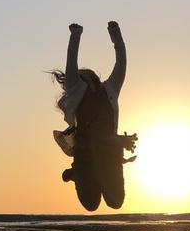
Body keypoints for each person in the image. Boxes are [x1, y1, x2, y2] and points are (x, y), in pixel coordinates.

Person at [52, 21, 137, 211]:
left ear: (94, 78)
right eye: (79, 77)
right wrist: (76, 34)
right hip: (85, 154)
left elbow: (121, 63)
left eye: (85, 76)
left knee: (115, 203)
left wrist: (116, 35)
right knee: (91, 204)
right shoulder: (77, 91)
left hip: (110, 152)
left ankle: (79, 174)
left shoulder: (110, 89)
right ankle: (78, 173)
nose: (81, 79)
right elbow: (71, 66)